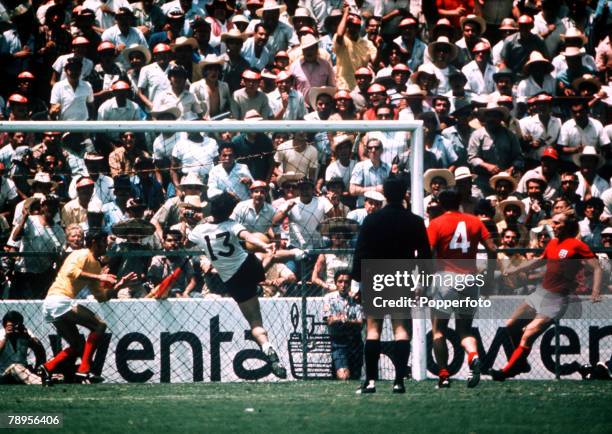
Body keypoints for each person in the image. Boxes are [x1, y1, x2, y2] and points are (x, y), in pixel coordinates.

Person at [490, 210, 602, 381]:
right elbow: (540, 260)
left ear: (568, 225)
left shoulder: (577, 245)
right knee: (510, 326)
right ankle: (521, 364)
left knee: (527, 334)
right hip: (540, 294)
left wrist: (595, 290)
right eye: (553, 222)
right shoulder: (553, 243)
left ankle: (505, 372)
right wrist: (517, 268)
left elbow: (596, 267)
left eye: (557, 223)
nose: (553, 226)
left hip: (556, 299)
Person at [188, 192, 287, 378]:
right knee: (268, 255)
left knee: (254, 322)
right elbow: (249, 237)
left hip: (231, 280)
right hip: (247, 267)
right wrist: (265, 245)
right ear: (229, 212)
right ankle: (297, 254)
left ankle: (266, 346)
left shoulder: (199, 231)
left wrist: (201, 220)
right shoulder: (232, 225)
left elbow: (188, 240)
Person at [352, 177, 432, 394]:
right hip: (401, 276)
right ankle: (399, 381)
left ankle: (370, 381)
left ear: (385, 195)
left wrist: (358, 281)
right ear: (404, 193)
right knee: (401, 329)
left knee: (373, 329)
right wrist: (423, 282)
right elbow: (425, 256)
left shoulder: (371, 220)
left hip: (375, 277)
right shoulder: (414, 221)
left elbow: (360, 252)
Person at [38, 231, 138, 385]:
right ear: (93, 242)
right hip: (59, 300)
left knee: (77, 345)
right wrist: (100, 277)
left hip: (54, 304)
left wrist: (119, 286)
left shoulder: (96, 265)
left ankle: (47, 368)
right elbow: (71, 272)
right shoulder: (81, 254)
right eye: (104, 241)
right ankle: (83, 371)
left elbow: (101, 297)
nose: (107, 245)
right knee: (99, 325)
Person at [427, 189, 497, 388]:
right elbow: (492, 249)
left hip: (446, 279)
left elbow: (428, 253)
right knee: (465, 330)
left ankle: (443, 374)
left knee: (438, 330)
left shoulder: (436, 223)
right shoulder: (475, 221)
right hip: (470, 280)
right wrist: (489, 278)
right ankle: (473, 356)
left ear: (441, 203)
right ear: (460, 202)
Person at [322, 269, 364, 380]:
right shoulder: (329, 298)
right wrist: (344, 320)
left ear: (350, 284)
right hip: (338, 342)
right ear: (336, 283)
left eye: (346, 282)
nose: (343, 285)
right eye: (340, 281)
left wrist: (344, 320)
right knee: (344, 376)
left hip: (355, 342)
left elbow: (360, 323)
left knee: (356, 377)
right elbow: (329, 321)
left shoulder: (355, 299)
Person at [0, 310, 45, 385]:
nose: (14, 329)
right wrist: (6, 336)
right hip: (4, 373)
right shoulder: (1, 333)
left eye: (16, 325)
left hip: (23, 370)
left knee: (19, 368)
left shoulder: (24, 333)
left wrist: (27, 336)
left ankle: (38, 378)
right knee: (15, 367)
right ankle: (41, 381)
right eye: (11, 326)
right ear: (5, 325)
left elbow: (39, 349)